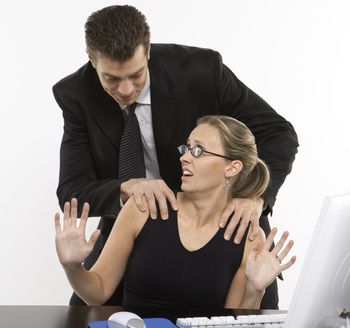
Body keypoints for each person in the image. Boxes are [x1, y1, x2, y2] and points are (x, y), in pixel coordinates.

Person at [52, 5, 299, 308]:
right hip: (140, 233)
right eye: (112, 79)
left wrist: (256, 198)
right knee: (81, 324)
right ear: (92, 60)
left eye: (136, 74)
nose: (126, 89)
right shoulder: (77, 95)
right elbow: (72, 190)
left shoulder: (201, 71)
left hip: (223, 227)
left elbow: (279, 133)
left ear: (148, 54)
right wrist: (125, 188)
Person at [55, 116, 296, 308]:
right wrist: (72, 267)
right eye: (187, 148)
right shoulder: (142, 208)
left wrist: (256, 289)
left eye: (198, 151)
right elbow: (97, 293)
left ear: (232, 167)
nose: (184, 157)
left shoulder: (248, 236)